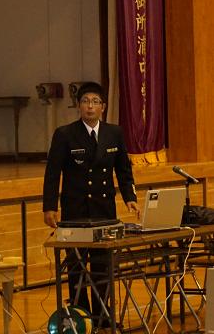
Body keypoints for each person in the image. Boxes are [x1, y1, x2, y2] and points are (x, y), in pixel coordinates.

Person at [42, 81, 139, 324]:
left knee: (101, 265)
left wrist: (130, 197)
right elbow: (52, 173)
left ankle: (102, 314)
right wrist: (49, 207)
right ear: (79, 106)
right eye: (85, 101)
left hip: (104, 209)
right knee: (76, 265)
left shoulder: (114, 133)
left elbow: (123, 169)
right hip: (75, 210)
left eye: (95, 102)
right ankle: (80, 317)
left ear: (103, 107)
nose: (90, 106)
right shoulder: (65, 134)